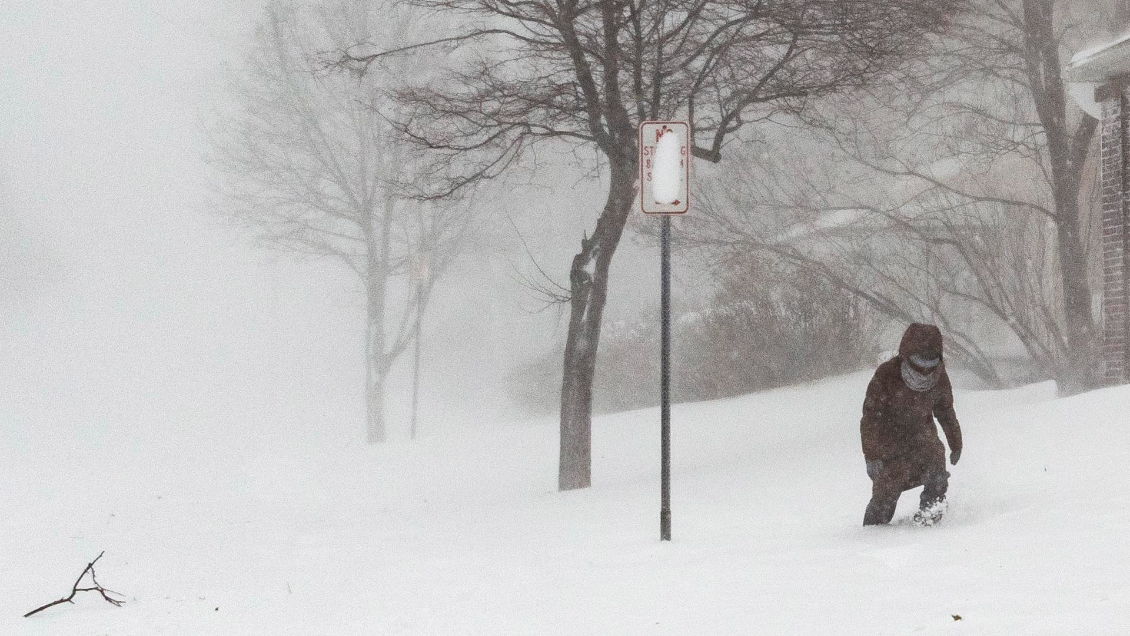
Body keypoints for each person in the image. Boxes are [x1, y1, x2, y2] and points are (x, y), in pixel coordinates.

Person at [860, 323, 962, 526]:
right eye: (918, 361)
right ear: (906, 356)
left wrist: (955, 442)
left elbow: (945, 411)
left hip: (924, 440)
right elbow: (871, 418)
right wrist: (871, 455)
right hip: (890, 446)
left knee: (937, 477)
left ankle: (930, 519)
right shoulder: (887, 374)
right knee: (885, 495)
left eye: (931, 362)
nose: (925, 369)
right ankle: (872, 536)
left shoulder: (939, 376)